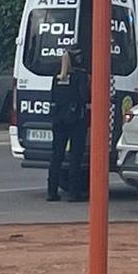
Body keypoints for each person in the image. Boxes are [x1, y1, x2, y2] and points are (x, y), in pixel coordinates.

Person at [47, 46, 89, 202]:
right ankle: (74, 192)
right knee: (75, 157)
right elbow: (84, 97)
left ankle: (51, 191)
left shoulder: (57, 76)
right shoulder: (80, 75)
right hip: (76, 120)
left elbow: (53, 97)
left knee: (56, 156)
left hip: (58, 120)